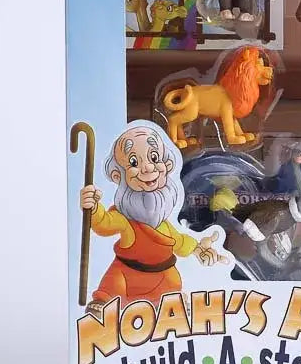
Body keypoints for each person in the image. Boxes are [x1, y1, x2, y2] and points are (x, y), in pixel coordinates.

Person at [80, 121, 225, 309]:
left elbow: (179, 242)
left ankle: (171, 305)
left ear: (168, 165)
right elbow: (103, 224)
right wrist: (92, 207)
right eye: (134, 162)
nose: (148, 168)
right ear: (118, 176)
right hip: (127, 276)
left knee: (172, 283)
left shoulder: (164, 225)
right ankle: (102, 305)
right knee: (113, 283)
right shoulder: (125, 220)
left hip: (161, 277)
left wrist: (198, 249)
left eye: (154, 158)